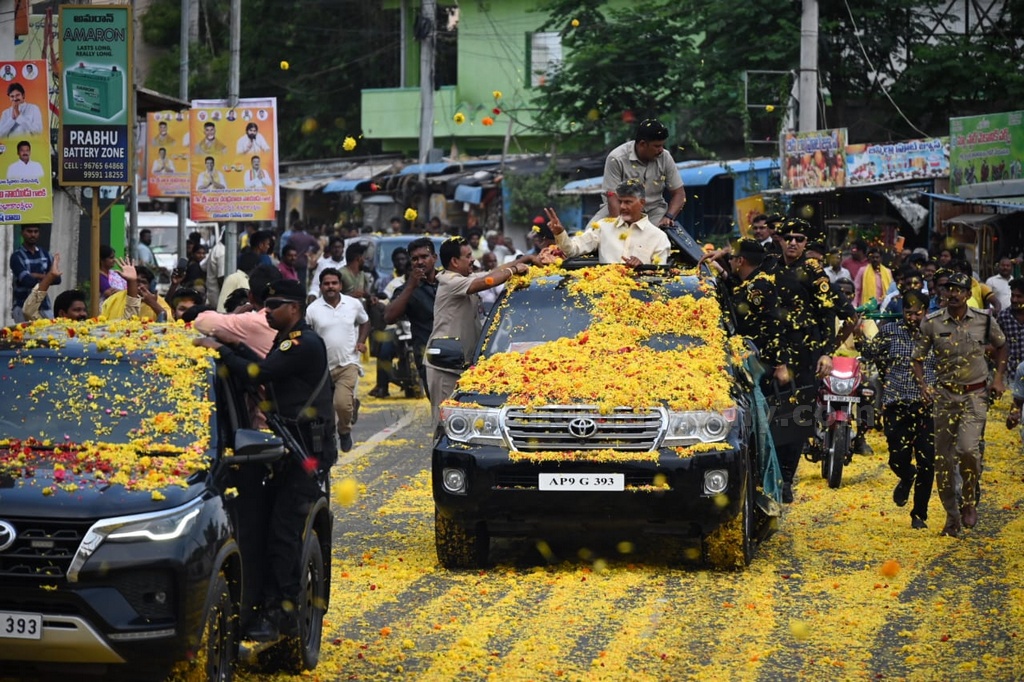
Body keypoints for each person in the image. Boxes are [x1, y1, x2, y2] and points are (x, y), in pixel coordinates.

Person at [194, 278, 335, 642]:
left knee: (285, 536)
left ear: (295, 308)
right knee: (275, 532)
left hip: (304, 455)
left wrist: (221, 350)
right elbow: (261, 365)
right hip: (291, 452)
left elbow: (261, 373)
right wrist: (234, 344)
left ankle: (281, 616)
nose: (267, 311)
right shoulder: (286, 342)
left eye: (274, 305)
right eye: (266, 304)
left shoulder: (302, 343)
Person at [913, 272, 1007, 537]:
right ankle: (951, 516)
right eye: (949, 289)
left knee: (968, 450)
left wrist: (998, 379)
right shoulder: (931, 322)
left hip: (975, 396)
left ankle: (968, 501)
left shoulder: (984, 320)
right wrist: (923, 385)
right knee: (942, 460)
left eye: (959, 290)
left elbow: (1001, 346)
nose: (953, 293)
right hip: (944, 396)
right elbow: (917, 358)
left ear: (968, 294)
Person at [425, 237, 538, 423]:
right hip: (445, 364)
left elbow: (494, 272)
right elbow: (487, 281)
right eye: (468, 256)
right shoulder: (450, 281)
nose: (473, 260)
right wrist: (515, 270)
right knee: (445, 424)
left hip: (462, 363)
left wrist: (525, 260)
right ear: (454, 261)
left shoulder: (463, 278)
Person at [863, 291, 936, 530]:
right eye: (908, 313)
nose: (913, 317)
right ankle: (906, 476)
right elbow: (873, 355)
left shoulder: (936, 333)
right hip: (897, 403)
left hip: (927, 406)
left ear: (926, 311)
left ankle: (919, 514)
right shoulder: (889, 331)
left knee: (927, 459)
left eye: (918, 313)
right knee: (897, 457)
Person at [305, 268, 369, 453]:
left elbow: (365, 322)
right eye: (326, 284)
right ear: (321, 286)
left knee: (341, 404)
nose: (330, 287)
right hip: (322, 367)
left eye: (334, 283)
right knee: (324, 411)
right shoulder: (312, 310)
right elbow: (307, 334)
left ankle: (344, 431)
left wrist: (361, 341)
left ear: (340, 285)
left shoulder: (353, 304)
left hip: (347, 363)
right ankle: (330, 438)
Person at [545, 180, 672, 267]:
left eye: (628, 202)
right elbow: (572, 250)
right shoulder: (603, 227)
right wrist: (560, 233)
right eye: (620, 201)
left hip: (640, 299)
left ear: (642, 203)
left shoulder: (658, 237)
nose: (622, 207)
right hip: (605, 297)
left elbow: (660, 276)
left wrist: (642, 267)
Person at [594, 118, 685, 227]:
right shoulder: (616, 158)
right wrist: (619, 226)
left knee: (658, 238)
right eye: (657, 146)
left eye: (662, 145)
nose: (661, 150)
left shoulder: (665, 157)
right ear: (642, 144)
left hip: (653, 211)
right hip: (620, 208)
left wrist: (668, 217)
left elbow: (679, 194)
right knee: (591, 233)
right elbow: (611, 196)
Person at [385, 237, 439, 397]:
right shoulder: (406, 289)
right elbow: (389, 317)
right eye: (415, 259)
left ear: (434, 258)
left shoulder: (447, 282)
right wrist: (411, 286)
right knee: (438, 407)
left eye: (424, 257)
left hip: (456, 355)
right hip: (428, 357)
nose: (420, 262)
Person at [10, 224, 58, 322]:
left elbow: (57, 279)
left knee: (50, 335)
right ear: (22, 233)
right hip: (22, 306)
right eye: (29, 231)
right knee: (24, 336)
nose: (33, 235)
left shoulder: (45, 254)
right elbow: (27, 281)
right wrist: (48, 277)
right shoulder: (17, 256)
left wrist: (35, 275)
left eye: (36, 232)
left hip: (44, 305)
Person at [996, 278, 1024, 380]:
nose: (1014, 300)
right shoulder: (1003, 316)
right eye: (1013, 295)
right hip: (1011, 375)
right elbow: (997, 346)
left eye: (1019, 296)